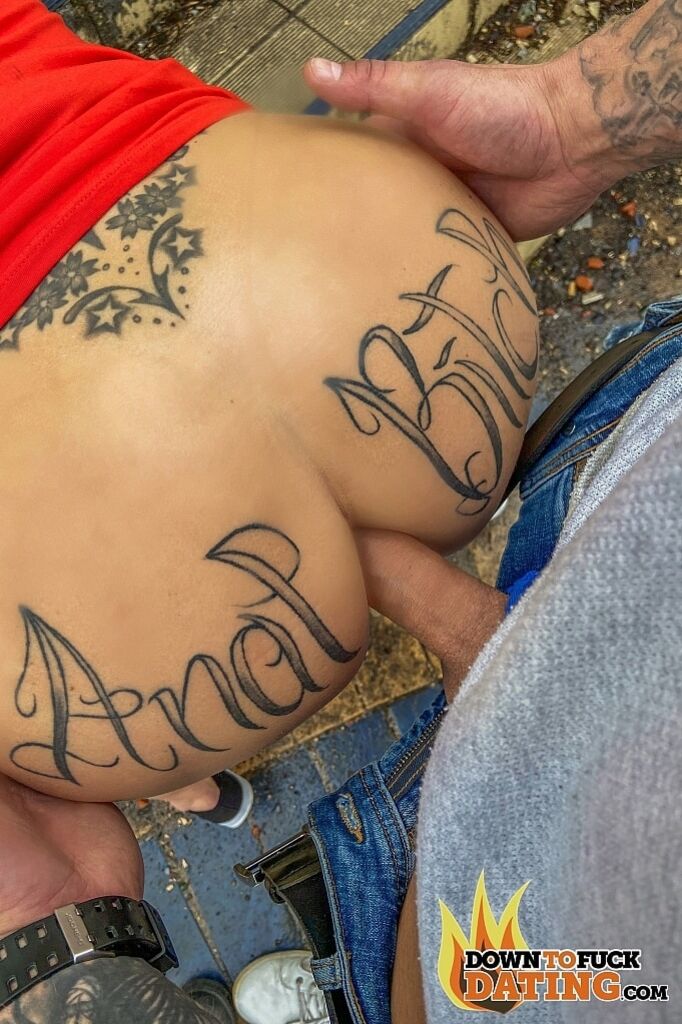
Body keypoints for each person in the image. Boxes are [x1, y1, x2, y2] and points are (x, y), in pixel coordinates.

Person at [0, 2, 680, 1024]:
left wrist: (584, 110)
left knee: (538, 977)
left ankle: (193, 782)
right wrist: (580, 110)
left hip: (137, 640)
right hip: (321, 245)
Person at [0, 0, 538, 806]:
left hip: (127, 659)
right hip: (357, 255)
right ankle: (432, 588)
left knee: (137, 728)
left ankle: (191, 790)